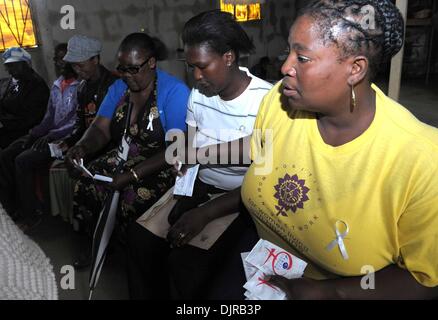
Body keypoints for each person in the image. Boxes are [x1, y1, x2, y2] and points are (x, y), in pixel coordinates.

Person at [240, 0, 438, 299]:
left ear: (355, 69)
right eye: (288, 51)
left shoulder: (422, 160)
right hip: (263, 273)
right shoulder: (276, 103)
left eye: (302, 58)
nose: (284, 67)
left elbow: (424, 282)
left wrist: (329, 293)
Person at [126, 10, 272, 300]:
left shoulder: (265, 102)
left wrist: (205, 212)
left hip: (241, 196)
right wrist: (183, 168)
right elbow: (190, 148)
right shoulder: (199, 95)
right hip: (200, 185)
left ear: (228, 57)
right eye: (191, 66)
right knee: (140, 240)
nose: (196, 76)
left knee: (189, 264)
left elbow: (264, 179)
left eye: (203, 66)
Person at [65, 32, 190, 269]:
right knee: (86, 180)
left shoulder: (174, 91)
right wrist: (82, 146)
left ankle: (140, 256)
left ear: (151, 62)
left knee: (131, 196)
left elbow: (176, 149)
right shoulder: (118, 88)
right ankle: (101, 242)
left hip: (162, 163)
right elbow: (100, 128)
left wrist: (131, 176)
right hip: (125, 156)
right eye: (122, 69)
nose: (127, 76)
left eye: (133, 69)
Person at [0, 44, 79, 230]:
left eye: (63, 58)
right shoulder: (58, 84)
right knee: (8, 154)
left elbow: (75, 122)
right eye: (56, 59)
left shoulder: (79, 86)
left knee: (22, 159)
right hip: (47, 135)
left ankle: (32, 213)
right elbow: (49, 117)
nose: (59, 63)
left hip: (67, 139)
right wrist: (34, 133)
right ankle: (13, 208)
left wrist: (50, 134)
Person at [47, 35, 118, 228]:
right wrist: (69, 142)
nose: (77, 70)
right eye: (74, 66)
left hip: (109, 146)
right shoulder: (82, 88)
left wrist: (85, 148)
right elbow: (81, 122)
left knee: (85, 180)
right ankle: (86, 226)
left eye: (81, 65)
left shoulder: (116, 85)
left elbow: (115, 129)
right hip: (89, 145)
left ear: (96, 59)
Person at [0, 47, 50, 149]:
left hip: (24, 131)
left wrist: (3, 121)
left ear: (25, 64)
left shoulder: (36, 85)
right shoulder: (9, 82)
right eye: (8, 66)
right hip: (9, 127)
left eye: (13, 65)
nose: (10, 70)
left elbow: (30, 118)